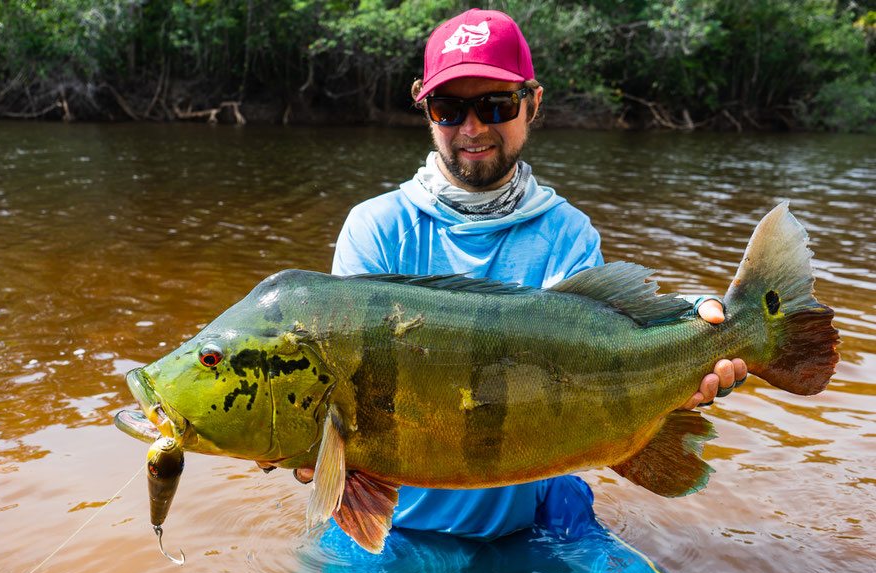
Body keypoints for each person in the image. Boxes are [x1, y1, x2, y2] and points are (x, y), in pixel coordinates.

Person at [299, 8, 746, 544]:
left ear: (533, 103)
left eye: (496, 104)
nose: (472, 128)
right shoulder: (375, 229)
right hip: (395, 522)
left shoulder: (568, 234)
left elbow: (605, 354)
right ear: (425, 105)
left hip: (532, 513)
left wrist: (688, 337)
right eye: (449, 107)